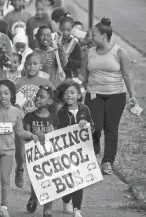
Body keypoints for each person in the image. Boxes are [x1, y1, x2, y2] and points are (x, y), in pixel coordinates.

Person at [80, 17, 138, 175]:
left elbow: (126, 75)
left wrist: (132, 96)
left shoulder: (119, 52)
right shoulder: (89, 52)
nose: (91, 38)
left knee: (111, 128)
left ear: (103, 35)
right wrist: (78, 91)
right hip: (93, 94)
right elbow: (83, 76)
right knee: (94, 127)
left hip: (116, 95)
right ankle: (92, 156)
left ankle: (107, 162)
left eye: (93, 35)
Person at [0, 79, 38, 217]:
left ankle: (4, 207)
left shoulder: (16, 112)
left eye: (6, 93)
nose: (3, 96)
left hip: (8, 150)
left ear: (12, 94)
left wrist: (30, 135)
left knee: (5, 179)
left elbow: (19, 131)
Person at [15, 52, 55, 188]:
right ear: (24, 66)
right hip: (21, 122)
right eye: (28, 64)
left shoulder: (45, 82)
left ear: (41, 67)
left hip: (38, 123)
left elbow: (53, 98)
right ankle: (20, 168)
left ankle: (36, 183)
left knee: (37, 153)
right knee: (21, 151)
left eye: (35, 64)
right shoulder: (19, 82)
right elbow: (12, 100)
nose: (31, 66)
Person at [56, 79, 95, 217]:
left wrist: (86, 125)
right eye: (66, 93)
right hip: (65, 153)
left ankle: (77, 209)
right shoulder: (60, 112)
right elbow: (56, 131)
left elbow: (93, 128)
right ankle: (66, 200)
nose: (69, 95)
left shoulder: (85, 109)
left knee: (79, 179)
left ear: (79, 95)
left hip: (80, 153)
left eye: (72, 92)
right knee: (68, 181)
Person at [24, 86, 58, 217]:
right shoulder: (29, 116)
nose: (38, 98)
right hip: (35, 156)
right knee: (36, 180)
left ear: (49, 102)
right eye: (37, 96)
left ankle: (47, 209)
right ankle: (34, 196)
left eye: (42, 97)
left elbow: (58, 136)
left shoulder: (54, 118)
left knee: (50, 180)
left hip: (49, 154)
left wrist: (51, 132)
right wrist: (34, 134)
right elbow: (26, 135)